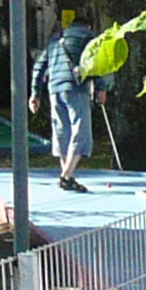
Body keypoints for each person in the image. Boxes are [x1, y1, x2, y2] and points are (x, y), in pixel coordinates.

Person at [38, 12, 100, 192]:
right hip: (76, 88)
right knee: (81, 131)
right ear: (88, 26)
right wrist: (101, 87)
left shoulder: (55, 39)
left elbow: (40, 65)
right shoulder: (88, 37)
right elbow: (95, 62)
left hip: (54, 89)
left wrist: (35, 93)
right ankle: (65, 176)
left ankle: (68, 175)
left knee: (61, 131)